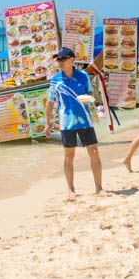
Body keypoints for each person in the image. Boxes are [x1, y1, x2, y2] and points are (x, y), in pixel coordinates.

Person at [43, 47, 105, 197]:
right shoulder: (55, 80)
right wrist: (47, 124)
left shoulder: (83, 76)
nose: (60, 62)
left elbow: (90, 92)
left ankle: (99, 188)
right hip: (66, 122)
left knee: (94, 153)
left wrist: (89, 98)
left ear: (72, 60)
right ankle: (71, 190)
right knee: (69, 156)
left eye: (62, 59)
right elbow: (50, 103)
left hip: (85, 120)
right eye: (58, 60)